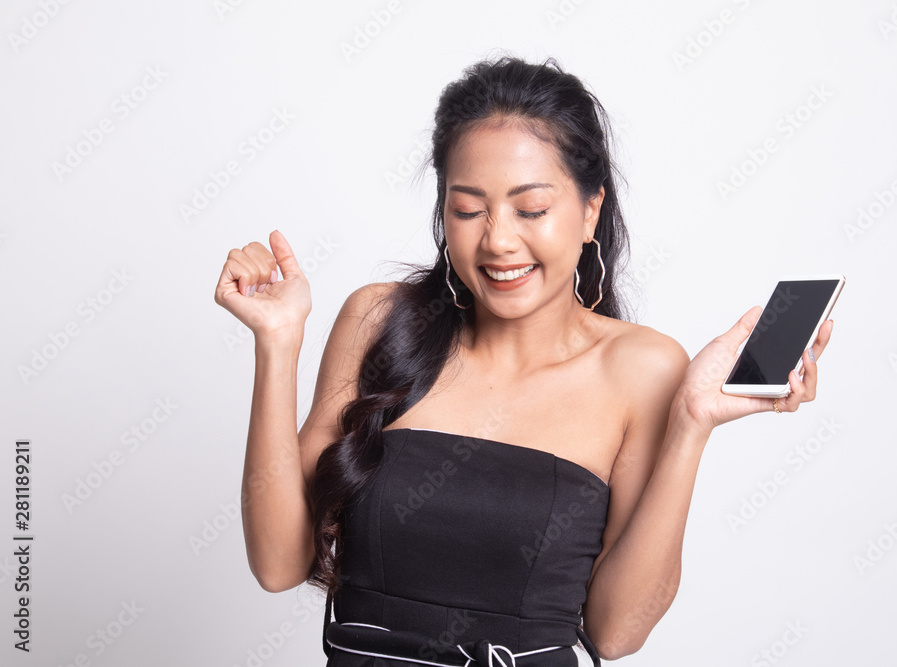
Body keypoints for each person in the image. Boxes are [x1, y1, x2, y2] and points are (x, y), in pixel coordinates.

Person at [213, 55, 834, 666]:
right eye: (468, 209)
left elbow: (617, 633)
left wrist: (691, 424)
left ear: (590, 209)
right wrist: (278, 342)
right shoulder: (378, 322)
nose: (499, 239)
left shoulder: (642, 368)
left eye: (531, 209)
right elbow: (277, 562)